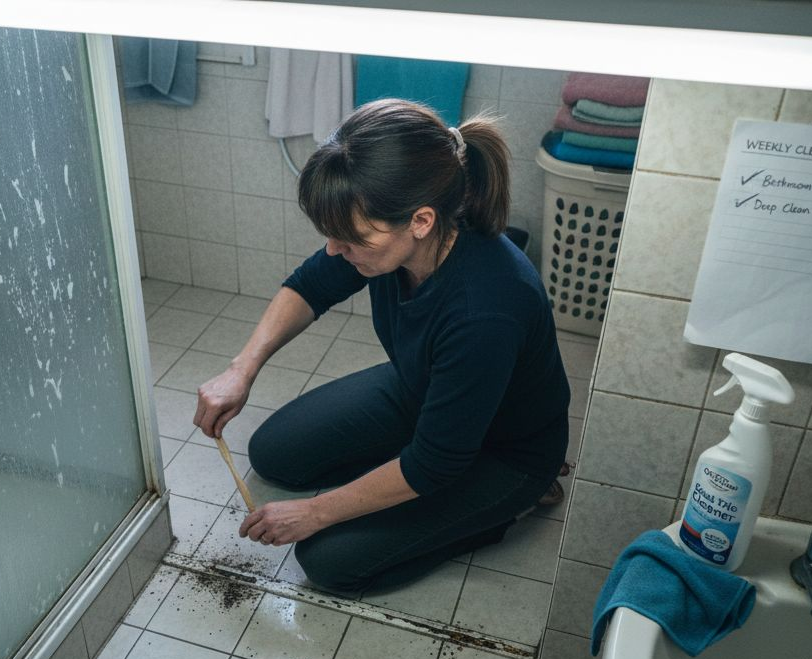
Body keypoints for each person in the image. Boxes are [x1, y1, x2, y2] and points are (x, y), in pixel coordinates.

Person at [193, 98, 570, 594]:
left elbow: (435, 462)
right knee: (274, 455)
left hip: (503, 453)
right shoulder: (384, 236)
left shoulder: (487, 309)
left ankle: (505, 508)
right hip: (422, 391)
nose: (335, 250)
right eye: (332, 235)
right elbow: (311, 285)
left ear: (420, 221)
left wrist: (316, 512)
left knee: (329, 560)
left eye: (352, 240)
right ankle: (398, 472)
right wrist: (241, 370)